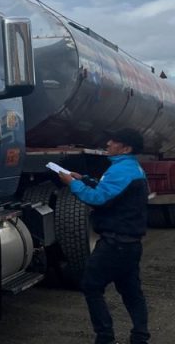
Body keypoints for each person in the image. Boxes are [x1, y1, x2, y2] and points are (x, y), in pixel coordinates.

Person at [58, 128, 150, 344]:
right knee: (131, 292)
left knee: (91, 286)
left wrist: (73, 184)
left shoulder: (122, 171)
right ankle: (140, 337)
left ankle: (105, 337)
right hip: (129, 244)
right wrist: (85, 179)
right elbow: (111, 190)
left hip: (115, 244)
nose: (108, 143)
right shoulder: (128, 167)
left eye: (114, 141)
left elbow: (99, 198)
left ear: (126, 148)